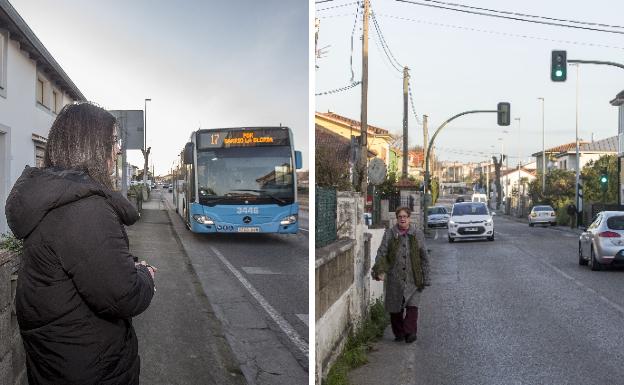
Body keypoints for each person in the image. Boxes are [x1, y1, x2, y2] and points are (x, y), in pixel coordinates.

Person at [5, 102, 156, 385]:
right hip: (89, 366)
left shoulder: (61, 200)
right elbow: (124, 296)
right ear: (91, 145)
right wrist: (145, 276)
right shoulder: (84, 209)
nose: (119, 149)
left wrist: (128, 266)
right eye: (113, 141)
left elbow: (84, 265)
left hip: (60, 359)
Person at [372, 207, 430, 343]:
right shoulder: (390, 234)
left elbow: (424, 256)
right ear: (397, 219)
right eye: (400, 217)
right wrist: (379, 269)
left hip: (414, 277)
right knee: (395, 308)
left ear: (409, 218)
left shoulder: (417, 234)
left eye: (405, 216)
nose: (402, 219)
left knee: (413, 306)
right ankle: (399, 333)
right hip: (394, 277)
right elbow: (382, 252)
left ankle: (410, 333)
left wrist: (426, 277)